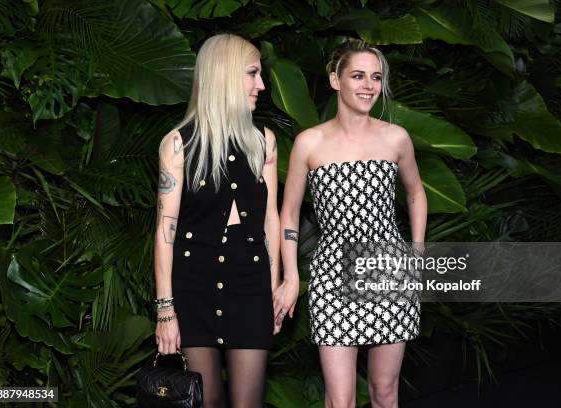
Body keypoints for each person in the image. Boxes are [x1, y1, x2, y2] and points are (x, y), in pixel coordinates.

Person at [274, 39, 427, 408]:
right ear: (334, 80)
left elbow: (416, 194)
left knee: (384, 391)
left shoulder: (396, 138)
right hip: (332, 275)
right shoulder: (309, 143)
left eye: (375, 77)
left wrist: (417, 251)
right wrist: (291, 276)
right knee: (340, 400)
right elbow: (289, 214)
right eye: (357, 76)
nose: (368, 86)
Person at [153, 33, 280, 408]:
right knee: (205, 401)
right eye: (252, 74)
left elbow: (269, 221)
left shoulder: (264, 141)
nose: (261, 85)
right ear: (224, 75)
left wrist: (270, 290)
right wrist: (165, 310)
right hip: (193, 286)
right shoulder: (178, 144)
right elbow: (165, 232)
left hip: (250, 283)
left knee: (247, 403)